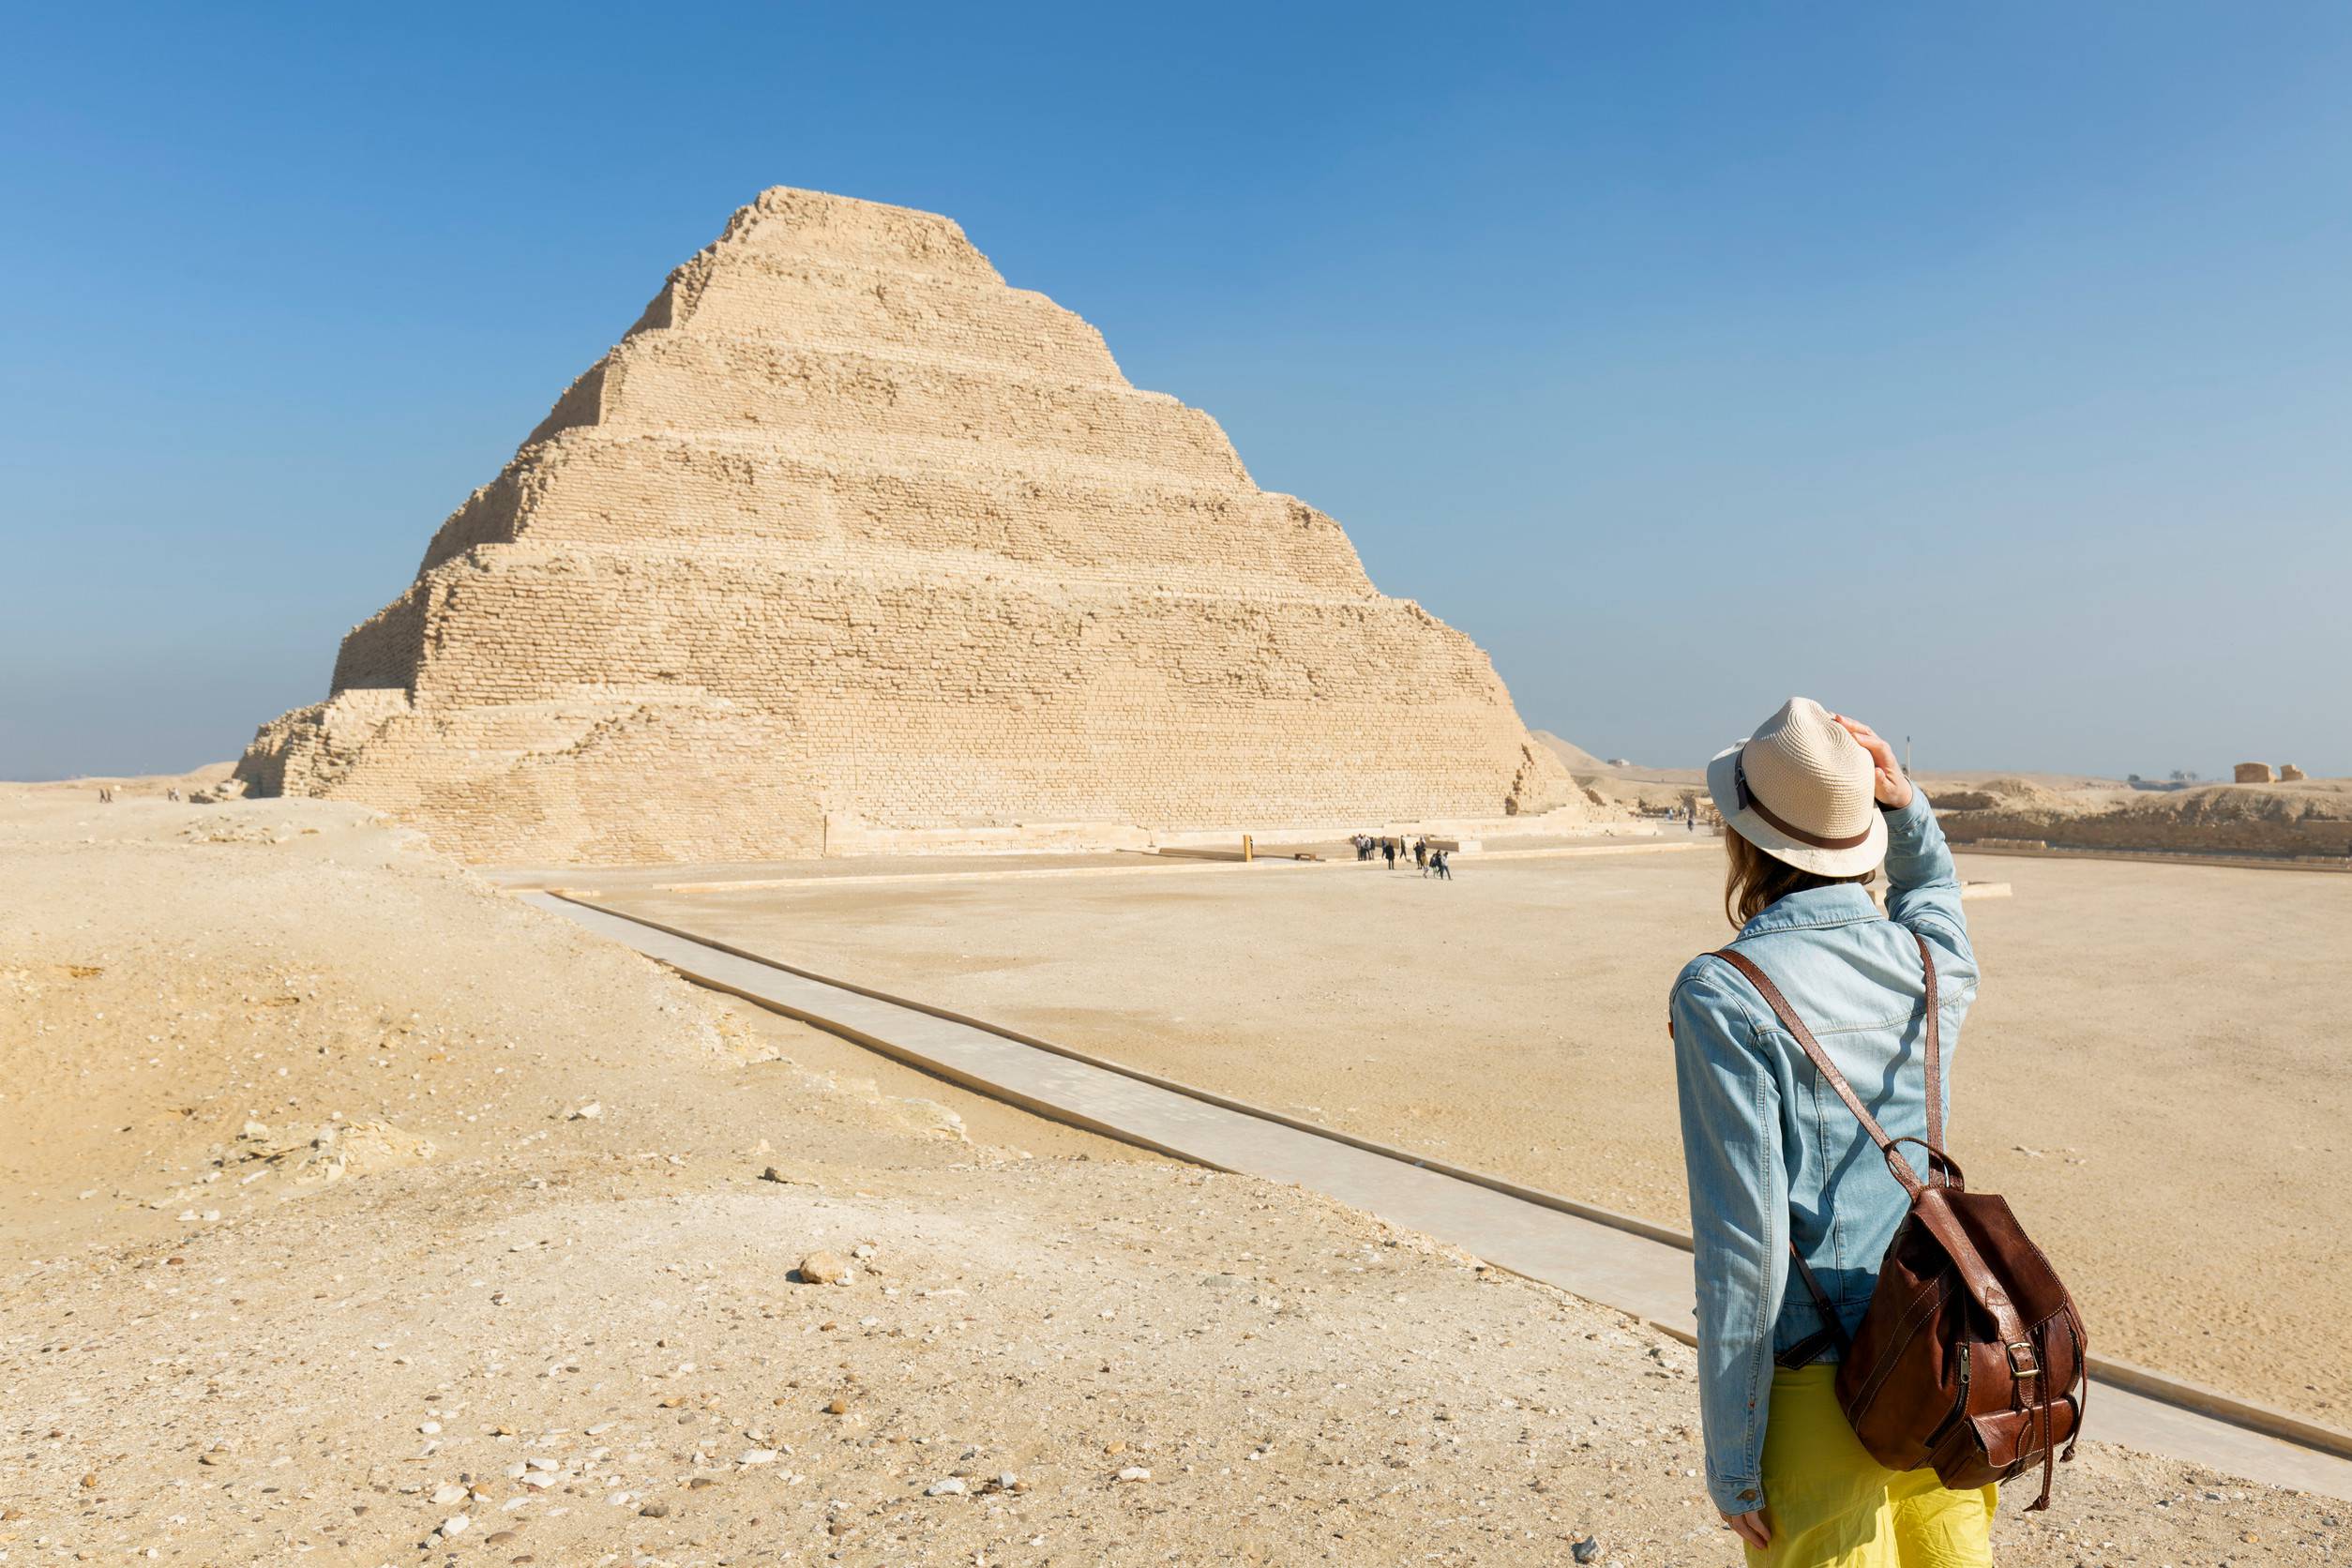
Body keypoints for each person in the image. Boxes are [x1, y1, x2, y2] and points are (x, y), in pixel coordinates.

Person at [1667, 698, 1985, 1566]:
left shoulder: (1723, 992)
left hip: (1819, 1387)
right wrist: (1908, 808)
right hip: (1939, 1358)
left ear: (1744, 841)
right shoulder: (1928, 965)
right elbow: (1936, 897)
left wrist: (1733, 1457)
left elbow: (1747, 1240)